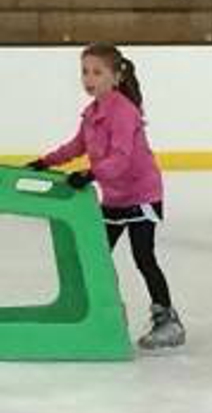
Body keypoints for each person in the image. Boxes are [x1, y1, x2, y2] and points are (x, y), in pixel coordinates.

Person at [27, 42, 185, 353]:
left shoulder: (124, 112)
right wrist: (45, 162)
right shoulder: (92, 112)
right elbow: (76, 146)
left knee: (144, 257)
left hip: (141, 195)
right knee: (97, 255)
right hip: (114, 197)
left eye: (97, 72)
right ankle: (105, 311)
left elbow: (121, 159)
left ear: (115, 77)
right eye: (85, 71)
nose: (89, 78)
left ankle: (167, 319)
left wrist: (89, 174)